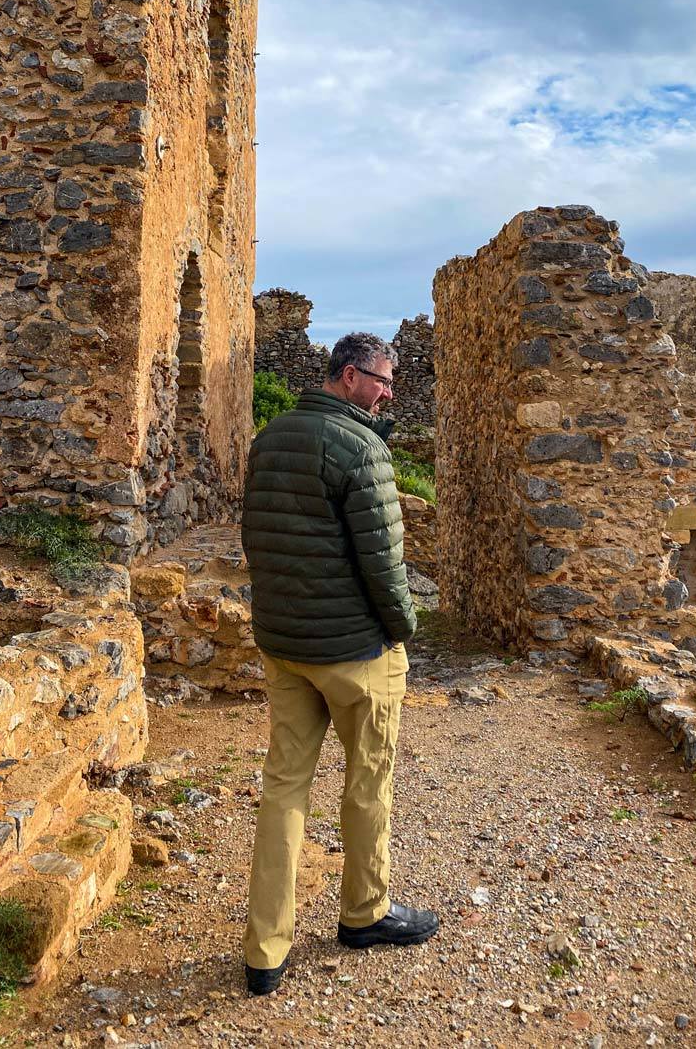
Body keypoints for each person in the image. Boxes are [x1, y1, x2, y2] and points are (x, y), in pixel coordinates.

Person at [240, 332, 439, 995]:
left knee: (283, 789)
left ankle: (266, 951)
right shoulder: (362, 448)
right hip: (355, 652)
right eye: (382, 380)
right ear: (349, 375)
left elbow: (257, 539)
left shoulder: (268, 438)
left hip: (285, 645)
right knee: (367, 782)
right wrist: (404, 629)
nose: (388, 394)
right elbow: (384, 565)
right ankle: (364, 912)